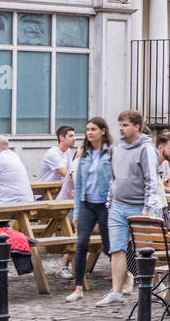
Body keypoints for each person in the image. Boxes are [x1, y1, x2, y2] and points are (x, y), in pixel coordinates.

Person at [96, 110, 162, 307]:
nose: (121, 129)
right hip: (118, 205)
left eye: (125, 125)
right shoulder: (116, 150)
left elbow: (152, 179)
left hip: (139, 207)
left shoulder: (146, 149)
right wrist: (110, 201)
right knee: (117, 248)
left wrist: (148, 207)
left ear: (137, 126)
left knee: (145, 250)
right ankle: (116, 291)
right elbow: (113, 178)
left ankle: (156, 284)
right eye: (120, 125)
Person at [64, 118, 115, 299]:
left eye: (93, 129)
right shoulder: (83, 154)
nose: (90, 132)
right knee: (81, 243)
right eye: (87, 129)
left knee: (110, 245)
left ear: (103, 131)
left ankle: (124, 277)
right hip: (87, 203)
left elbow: (116, 180)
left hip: (105, 204)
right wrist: (76, 212)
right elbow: (78, 186)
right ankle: (78, 288)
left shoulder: (111, 153)